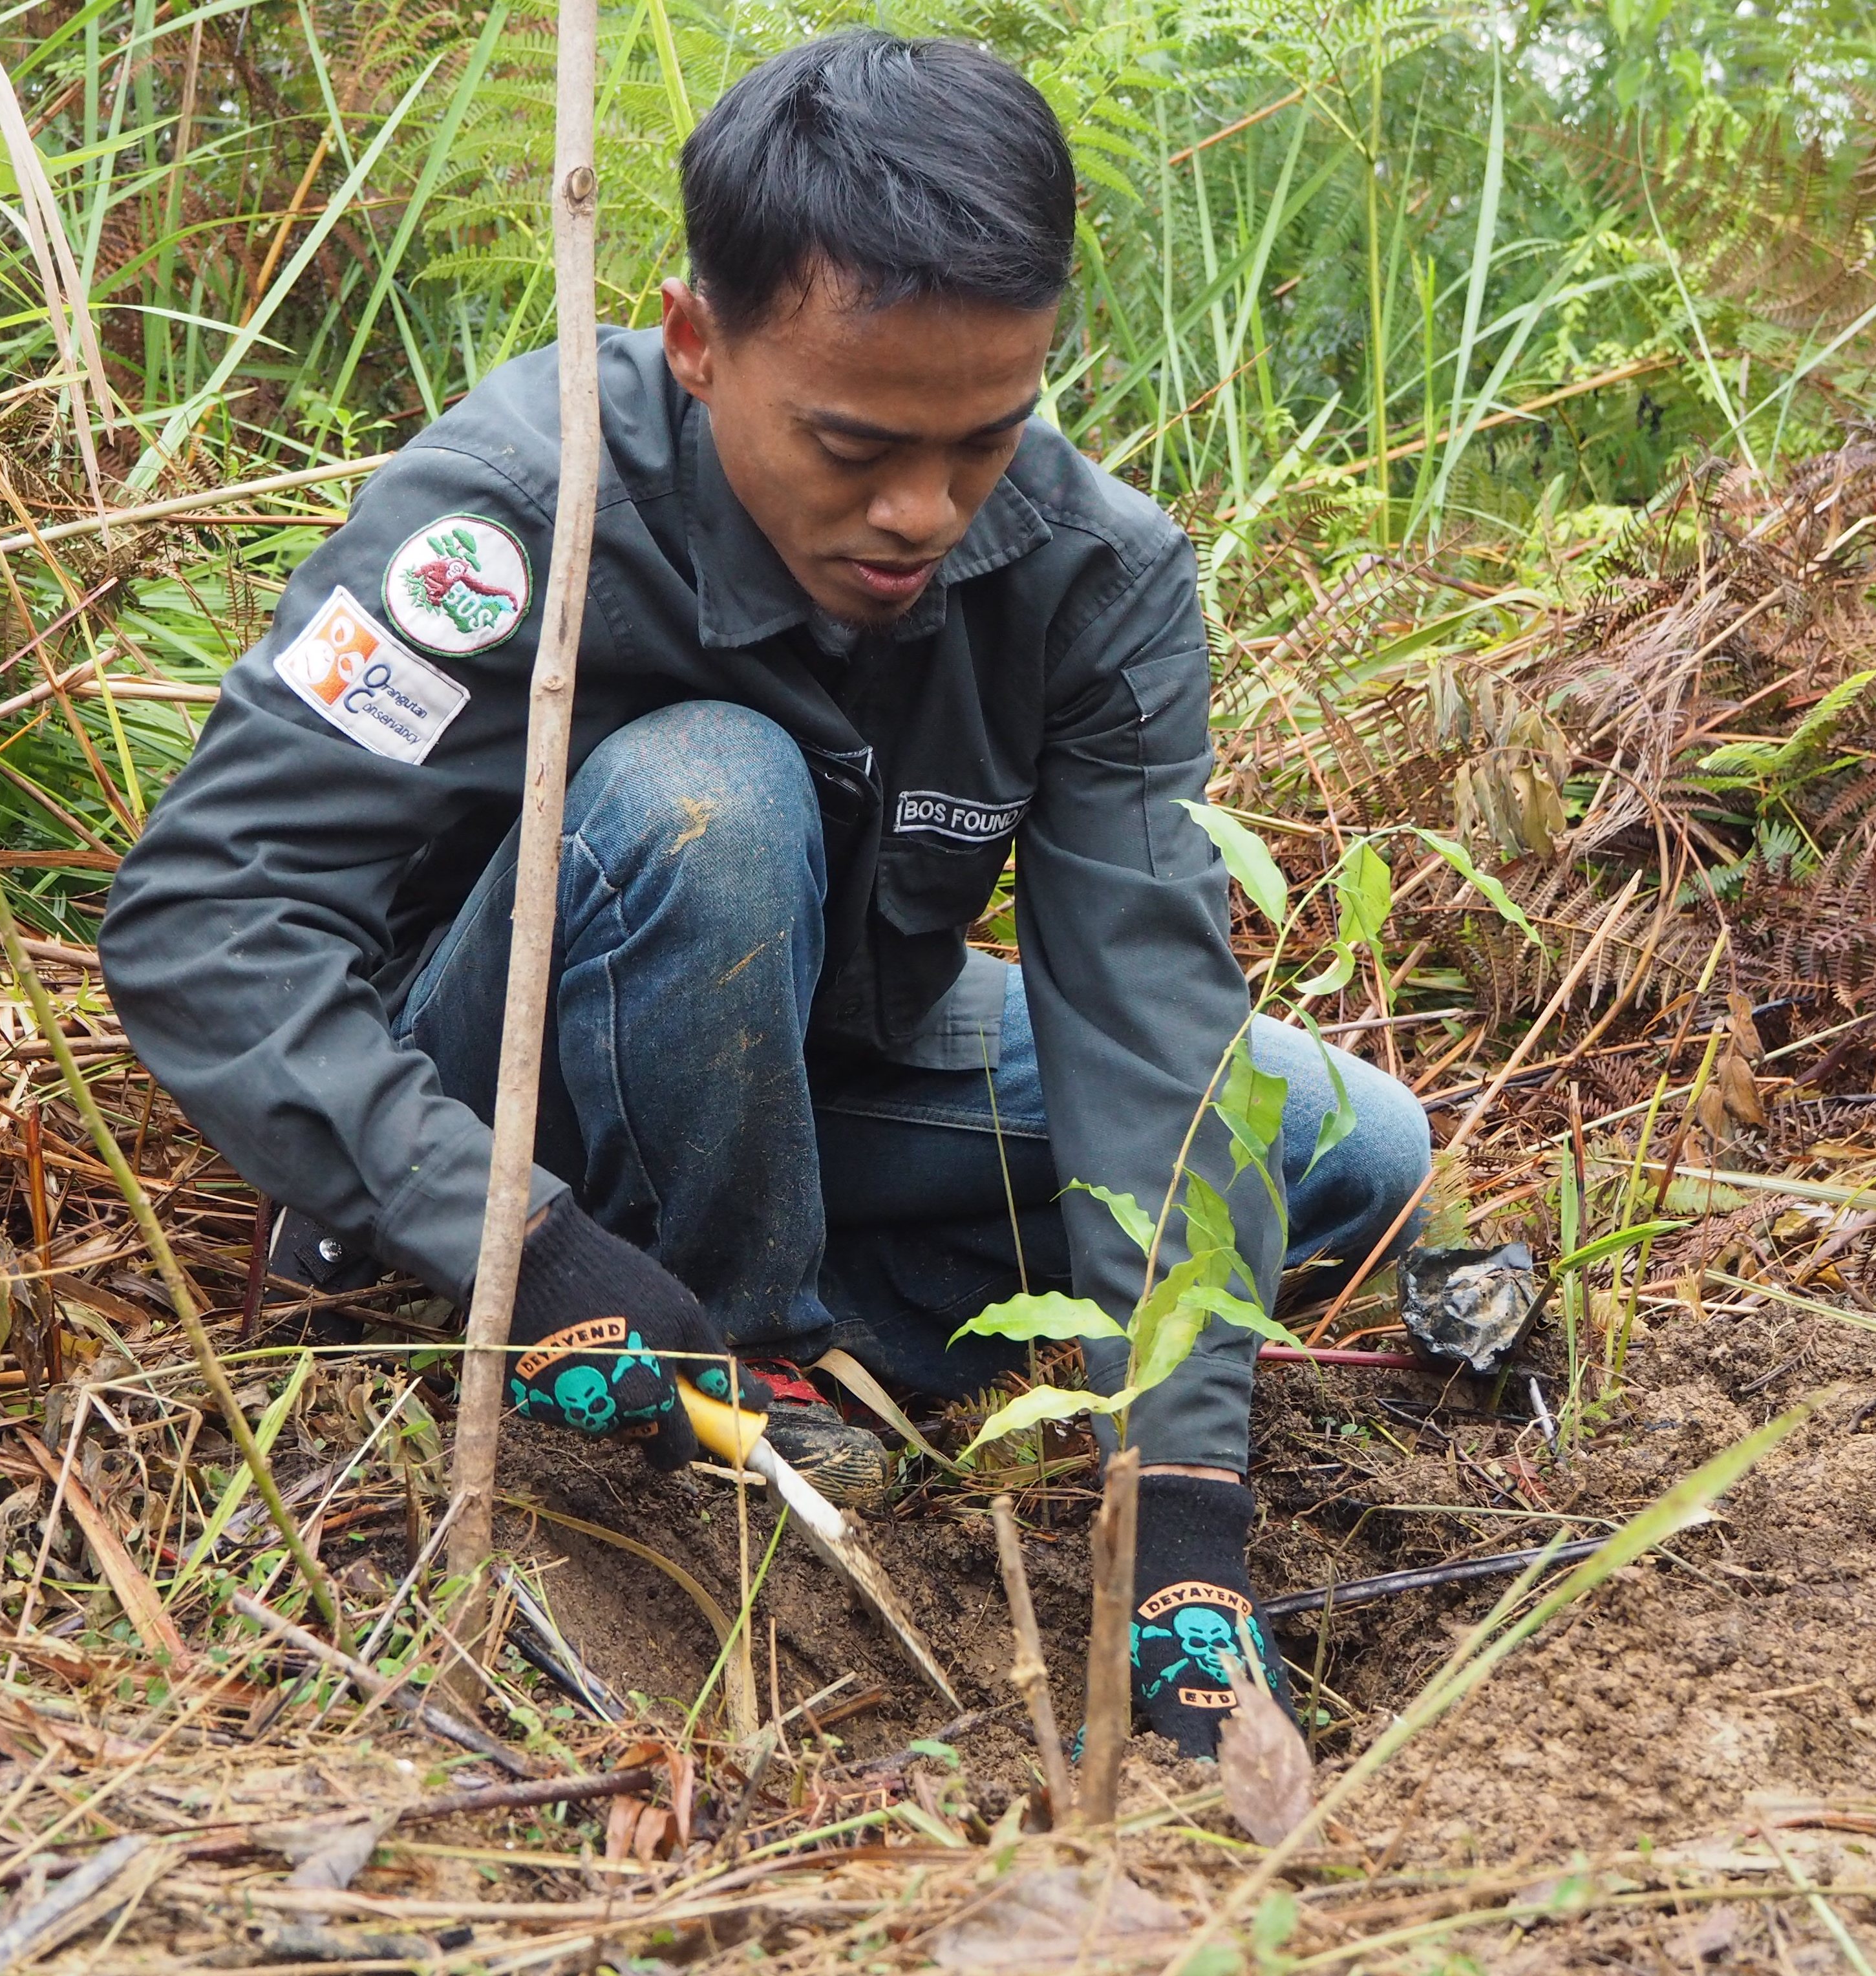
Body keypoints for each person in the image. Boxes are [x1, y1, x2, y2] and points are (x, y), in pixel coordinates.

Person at [100, 30, 1431, 1758]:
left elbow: (1145, 1026)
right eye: (855, 442)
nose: (922, 513)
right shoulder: (507, 515)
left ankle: (750, 1314)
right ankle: (708, 1354)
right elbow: (209, 914)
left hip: (825, 1048)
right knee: (707, 797)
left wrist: (1177, 1498)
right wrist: (505, 1224)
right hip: (504, 1080)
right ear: (694, 340)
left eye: (984, 440)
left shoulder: (1093, 576)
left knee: (1350, 1148)